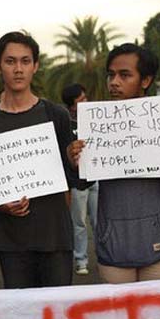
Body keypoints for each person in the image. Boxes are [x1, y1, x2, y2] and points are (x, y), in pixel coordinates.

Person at [68, 44, 160, 283]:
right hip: (114, 247)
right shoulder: (97, 124)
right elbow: (80, 183)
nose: (114, 82)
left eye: (124, 75)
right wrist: (74, 160)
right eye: (111, 75)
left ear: (146, 80)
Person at [0, 31, 80, 289]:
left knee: (58, 317)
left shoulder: (56, 115)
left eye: (25, 61)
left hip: (55, 237)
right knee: (22, 318)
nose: (18, 69)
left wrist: (75, 162)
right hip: (12, 242)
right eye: (10, 61)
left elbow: (72, 176)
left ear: (36, 66)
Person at [61, 83, 97, 276]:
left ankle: (105, 256)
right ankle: (81, 260)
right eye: (81, 100)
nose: (85, 102)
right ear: (71, 105)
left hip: (96, 179)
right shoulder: (65, 124)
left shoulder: (94, 120)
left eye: (86, 98)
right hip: (77, 183)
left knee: (101, 222)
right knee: (79, 224)